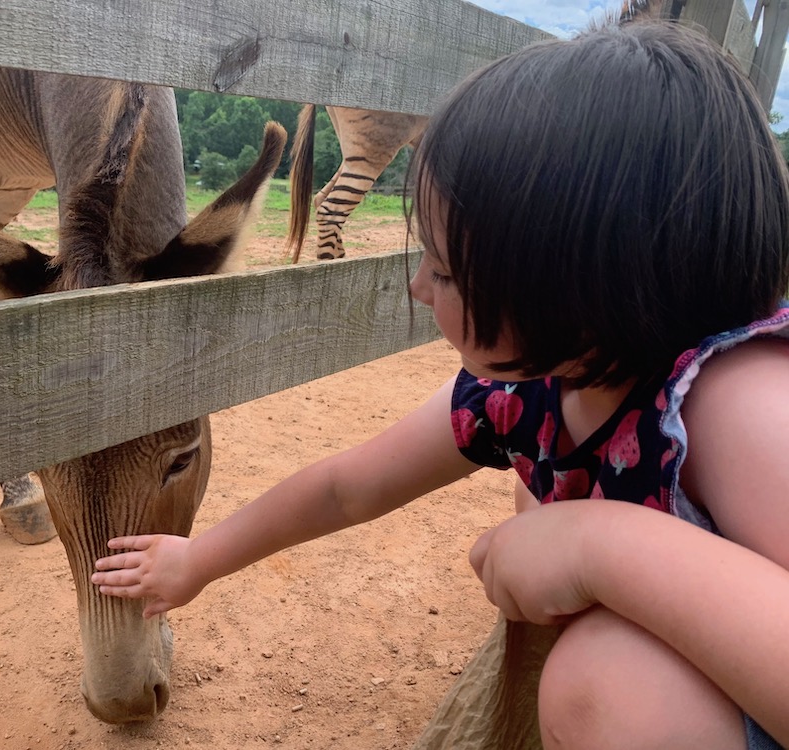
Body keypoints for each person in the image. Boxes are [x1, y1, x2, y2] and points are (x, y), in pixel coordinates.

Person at [91, 19, 789, 750]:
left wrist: (593, 547)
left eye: (446, 270)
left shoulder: (740, 404)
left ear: (585, 286)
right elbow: (346, 489)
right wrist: (200, 560)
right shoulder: (525, 394)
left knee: (611, 687)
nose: (418, 287)